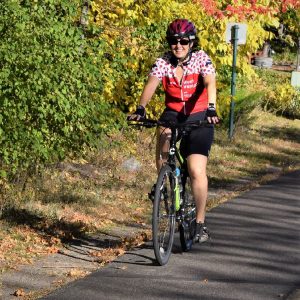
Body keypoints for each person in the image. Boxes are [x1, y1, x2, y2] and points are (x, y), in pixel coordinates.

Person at [129, 19, 219, 243]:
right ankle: (164, 182)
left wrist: (211, 107)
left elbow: (210, 83)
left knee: (196, 169)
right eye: (173, 41)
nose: (178, 45)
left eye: (183, 41)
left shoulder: (201, 58)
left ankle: (199, 222)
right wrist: (141, 108)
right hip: (173, 113)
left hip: (200, 116)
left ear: (191, 42)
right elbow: (151, 84)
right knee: (163, 136)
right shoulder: (163, 62)